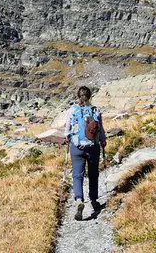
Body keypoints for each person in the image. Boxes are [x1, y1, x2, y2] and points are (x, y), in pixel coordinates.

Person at [64, 85, 106, 220]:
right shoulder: (96, 111)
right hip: (93, 147)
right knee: (93, 174)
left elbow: (67, 130)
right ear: (90, 96)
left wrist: (68, 139)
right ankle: (93, 200)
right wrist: (103, 142)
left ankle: (79, 200)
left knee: (77, 175)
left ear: (78, 96)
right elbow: (101, 131)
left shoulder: (72, 111)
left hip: (77, 148)